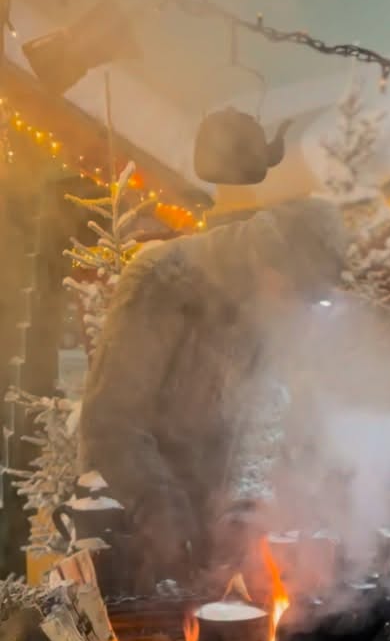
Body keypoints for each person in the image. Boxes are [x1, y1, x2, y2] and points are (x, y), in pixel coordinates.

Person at [78, 197, 348, 595]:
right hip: (125, 522)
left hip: (196, 523)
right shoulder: (161, 282)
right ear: (267, 261)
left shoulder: (261, 305)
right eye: (296, 292)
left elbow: (244, 420)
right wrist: (167, 517)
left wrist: (239, 511)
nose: (294, 310)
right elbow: (111, 422)